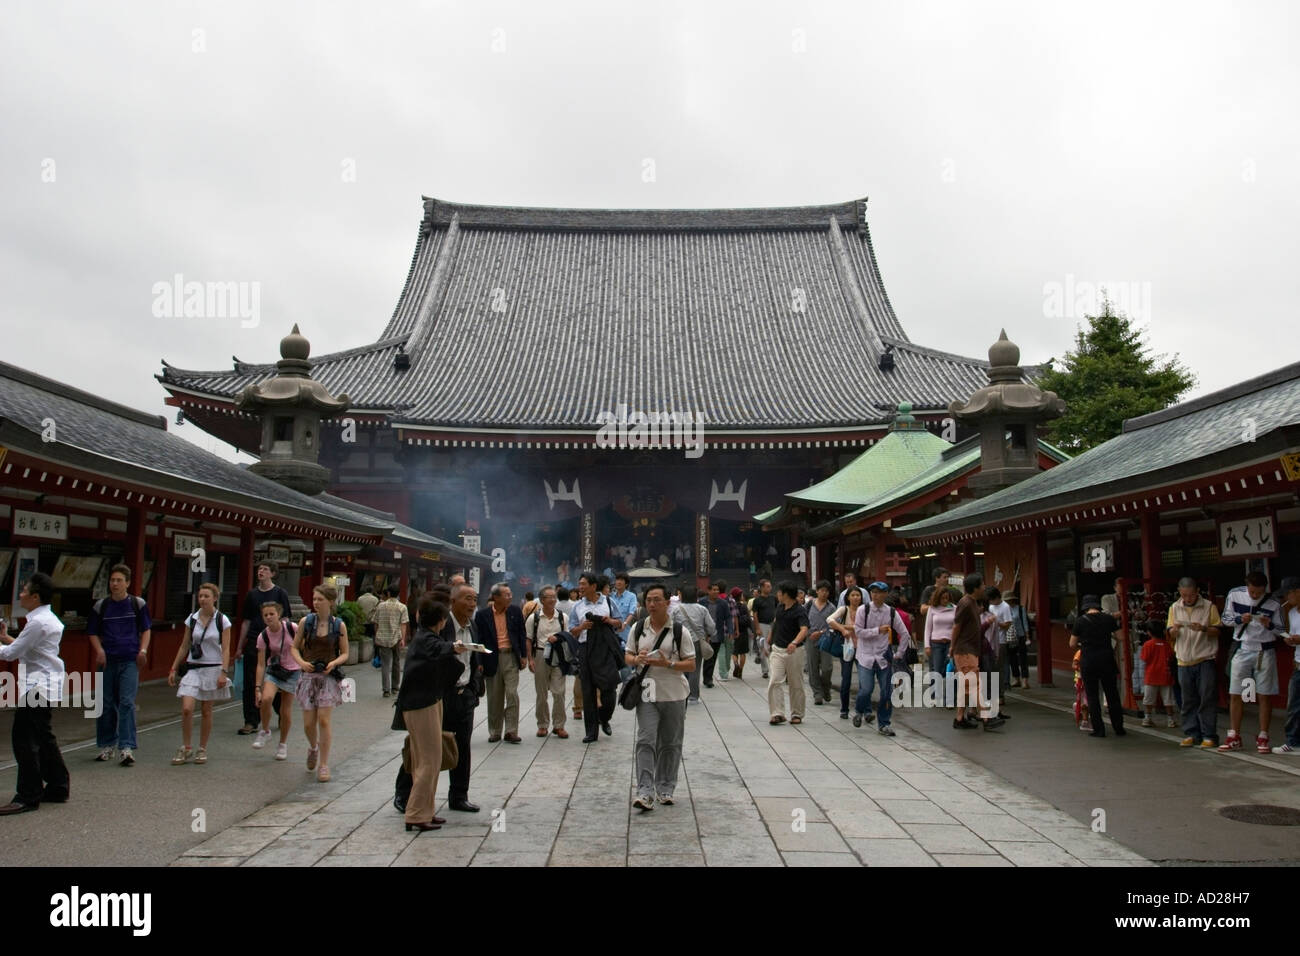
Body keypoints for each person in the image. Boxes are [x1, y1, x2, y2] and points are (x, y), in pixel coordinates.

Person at [0, 573, 70, 814]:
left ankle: (28, 795)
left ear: (35, 596)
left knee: (24, 739)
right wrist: (6, 638)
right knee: (42, 737)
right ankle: (58, 786)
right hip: (47, 685)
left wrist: (5, 644)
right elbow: (30, 651)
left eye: (24, 591)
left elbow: (11, 654)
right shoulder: (47, 619)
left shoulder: (38, 622)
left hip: (37, 686)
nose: (21, 594)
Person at [395, 598, 463, 833]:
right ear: (442, 620)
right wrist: (455, 647)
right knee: (429, 759)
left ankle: (426, 810)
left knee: (427, 758)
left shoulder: (425, 636)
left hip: (427, 700)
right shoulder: (426, 639)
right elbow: (440, 649)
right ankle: (415, 813)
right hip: (420, 704)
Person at [626, 583, 696, 811]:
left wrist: (669, 663)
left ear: (668, 602)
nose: (652, 604)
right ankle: (645, 792)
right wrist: (637, 660)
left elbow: (692, 664)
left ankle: (665, 787)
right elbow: (628, 655)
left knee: (670, 743)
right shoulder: (638, 628)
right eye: (648, 600)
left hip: (674, 693)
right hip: (647, 691)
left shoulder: (679, 631)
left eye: (657, 600)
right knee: (645, 740)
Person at [87, 563, 152, 767]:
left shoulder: (137, 604)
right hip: (108, 661)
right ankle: (107, 745)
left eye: (119, 580)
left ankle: (126, 747)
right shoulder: (101, 606)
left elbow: (146, 629)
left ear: (128, 583)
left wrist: (143, 650)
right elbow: (92, 632)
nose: (114, 584)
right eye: (112, 580)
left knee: (126, 703)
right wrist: (99, 650)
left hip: (129, 660)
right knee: (105, 704)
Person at [1219, 571, 1286, 753]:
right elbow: (1225, 619)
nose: (1255, 595)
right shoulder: (1235, 594)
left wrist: (1269, 624)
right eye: (1252, 592)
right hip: (1242, 647)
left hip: (1265, 650)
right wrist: (1240, 619)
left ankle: (1263, 735)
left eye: (1258, 592)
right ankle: (1234, 734)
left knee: (1264, 694)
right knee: (1236, 692)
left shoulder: (1273, 603)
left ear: (1265, 589)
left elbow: (1281, 630)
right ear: (1246, 586)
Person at [168, 582, 232, 766]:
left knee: (206, 710)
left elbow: (226, 648)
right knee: (187, 708)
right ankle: (186, 747)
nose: (202, 599)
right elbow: (184, 644)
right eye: (200, 596)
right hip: (194, 667)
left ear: (215, 598)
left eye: (206, 596)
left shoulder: (222, 620)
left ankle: (202, 748)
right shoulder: (192, 619)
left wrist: (223, 672)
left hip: (213, 667)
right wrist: (173, 667)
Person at [291, 585, 349, 782]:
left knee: (324, 720)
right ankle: (313, 747)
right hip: (308, 676)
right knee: (308, 724)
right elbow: (294, 648)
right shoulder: (305, 622)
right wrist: (301, 662)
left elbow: (346, 653)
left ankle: (324, 764)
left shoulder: (338, 625)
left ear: (330, 602)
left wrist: (334, 663)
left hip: (327, 677)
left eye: (320, 599)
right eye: (314, 599)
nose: (316, 603)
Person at [234, 561, 292, 735]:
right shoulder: (252, 595)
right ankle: (251, 720)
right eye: (259, 569)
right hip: (254, 641)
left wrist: (285, 645)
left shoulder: (280, 593)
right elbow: (246, 621)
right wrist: (239, 646)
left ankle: (281, 713)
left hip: (275, 642)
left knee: (275, 679)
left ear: (273, 573)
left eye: (265, 569)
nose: (261, 572)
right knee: (251, 682)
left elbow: (286, 620)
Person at [443, 583, 485, 812]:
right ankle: (404, 791)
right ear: (453, 602)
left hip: (465, 694)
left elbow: (475, 657)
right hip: (443, 695)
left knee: (462, 747)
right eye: (467, 598)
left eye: (474, 599)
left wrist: (474, 687)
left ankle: (459, 795)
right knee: (429, 746)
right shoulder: (443, 626)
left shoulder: (473, 626)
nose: (471, 603)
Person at [1167, 576, 1222, 749]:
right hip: (1183, 660)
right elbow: (1169, 632)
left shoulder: (1208, 606)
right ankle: (1191, 732)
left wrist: (1203, 628)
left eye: (1190, 595)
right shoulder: (1174, 608)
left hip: (1204, 657)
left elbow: (1218, 630)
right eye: (1184, 595)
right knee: (1188, 699)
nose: (1187, 599)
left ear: (1197, 591)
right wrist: (1174, 631)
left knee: (1207, 697)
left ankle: (1209, 734)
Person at [569, 571, 623, 743]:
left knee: (609, 687)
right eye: (580, 584)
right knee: (588, 690)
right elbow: (572, 630)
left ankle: (604, 717)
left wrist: (609, 621)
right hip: (586, 649)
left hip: (605, 649)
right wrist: (582, 627)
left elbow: (620, 622)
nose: (580, 587)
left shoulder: (608, 601)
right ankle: (591, 732)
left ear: (593, 586)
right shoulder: (577, 607)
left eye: (584, 584)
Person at [852, 581, 909, 736]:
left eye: (879, 592)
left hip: (884, 657)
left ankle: (884, 723)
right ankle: (859, 710)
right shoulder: (864, 610)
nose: (876, 595)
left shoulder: (891, 612)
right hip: (865, 656)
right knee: (866, 689)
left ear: (885, 594)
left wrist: (899, 654)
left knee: (886, 692)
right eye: (873, 592)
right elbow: (858, 632)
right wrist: (877, 631)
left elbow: (904, 634)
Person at [475, 583, 528, 744]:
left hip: (510, 656)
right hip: (492, 658)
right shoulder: (482, 615)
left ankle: (511, 731)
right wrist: (479, 661)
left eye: (510, 594)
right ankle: (495, 731)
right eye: (506, 594)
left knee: (512, 694)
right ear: (496, 597)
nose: (510, 597)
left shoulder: (515, 611)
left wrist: (523, 656)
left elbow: (521, 633)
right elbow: (478, 639)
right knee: (495, 696)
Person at [952, 574, 1003, 731]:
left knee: (966, 685)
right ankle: (987, 718)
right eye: (982, 585)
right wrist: (952, 646)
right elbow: (956, 626)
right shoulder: (966, 603)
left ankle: (959, 718)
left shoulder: (973, 603)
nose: (984, 587)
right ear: (975, 588)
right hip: (965, 649)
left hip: (970, 649)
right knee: (974, 684)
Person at [1070, 595, 1125, 738]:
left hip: (1089, 660)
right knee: (1112, 694)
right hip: (1107, 659)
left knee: (1093, 696)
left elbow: (1072, 643)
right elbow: (1120, 637)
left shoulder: (1080, 622)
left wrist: (1084, 642)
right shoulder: (1109, 619)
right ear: (1098, 605)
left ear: (1085, 607)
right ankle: (1119, 727)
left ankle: (1099, 729)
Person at [252, 601, 298, 759]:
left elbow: (303, 647)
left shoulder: (292, 628)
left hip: (293, 670)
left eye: (272, 614)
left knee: (285, 710)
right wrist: (257, 687)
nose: (269, 617)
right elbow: (260, 663)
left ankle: (282, 744)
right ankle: (265, 730)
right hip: (275, 670)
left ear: (279, 614)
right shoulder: (263, 636)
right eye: (265, 615)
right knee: (266, 698)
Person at [527, 586, 569, 738]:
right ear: (542, 600)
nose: (552, 600)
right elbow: (529, 639)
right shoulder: (534, 618)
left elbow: (567, 636)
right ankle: (543, 724)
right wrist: (530, 659)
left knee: (559, 692)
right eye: (549, 597)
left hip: (558, 656)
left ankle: (559, 725)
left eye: (554, 597)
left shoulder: (563, 617)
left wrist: (558, 637)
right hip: (540, 654)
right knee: (541, 693)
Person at [767, 581, 809, 725]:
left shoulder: (800, 610)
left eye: (780, 592)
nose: (778, 594)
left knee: (795, 683)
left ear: (786, 594)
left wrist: (794, 642)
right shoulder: (780, 607)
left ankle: (797, 713)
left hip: (794, 651)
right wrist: (770, 636)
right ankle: (777, 713)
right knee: (775, 680)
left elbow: (804, 629)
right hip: (778, 649)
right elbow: (776, 621)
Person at [671, 584, 715, 701]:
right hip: (696, 641)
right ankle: (693, 695)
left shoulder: (676, 609)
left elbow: (669, 625)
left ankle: (682, 692)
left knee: (681, 667)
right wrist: (708, 634)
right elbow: (711, 626)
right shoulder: (702, 609)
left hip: (680, 641)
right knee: (695, 668)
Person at [827, 587, 865, 718]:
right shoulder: (844, 610)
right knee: (846, 678)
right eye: (853, 595)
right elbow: (830, 620)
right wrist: (842, 630)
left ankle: (865, 709)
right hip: (847, 647)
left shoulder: (864, 610)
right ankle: (844, 709)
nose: (855, 598)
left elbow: (864, 627)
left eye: (858, 595)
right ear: (848, 597)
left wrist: (848, 627)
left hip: (862, 648)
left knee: (864, 680)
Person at [1138, 618, 1177, 727]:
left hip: (1151, 675)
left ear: (1149, 632)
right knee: (1168, 699)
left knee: (1148, 699)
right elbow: (1171, 657)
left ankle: (1147, 718)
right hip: (1165, 675)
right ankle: (1170, 720)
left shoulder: (1147, 644)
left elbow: (1144, 658)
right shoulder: (1166, 644)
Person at [923, 586, 958, 706]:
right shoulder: (932, 609)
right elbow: (928, 628)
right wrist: (927, 645)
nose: (945, 600)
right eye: (942, 598)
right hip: (936, 643)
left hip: (950, 643)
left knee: (951, 670)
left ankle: (950, 698)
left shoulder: (954, 608)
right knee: (936, 670)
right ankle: (934, 696)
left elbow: (957, 626)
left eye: (947, 598)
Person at [374, 584, 409, 698]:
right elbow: (403, 624)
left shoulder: (380, 606)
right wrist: (403, 639)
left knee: (385, 664)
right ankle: (395, 687)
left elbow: (376, 622)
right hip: (396, 637)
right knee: (396, 662)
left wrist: (376, 635)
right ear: (398, 593)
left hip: (383, 637)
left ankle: (386, 690)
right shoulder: (402, 607)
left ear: (388, 593)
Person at [1278, 577, 1300, 754]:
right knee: (1293, 706)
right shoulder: (1292, 613)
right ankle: (1293, 741)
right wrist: (1290, 641)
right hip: (1298, 664)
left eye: (1288, 593)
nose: (1287, 597)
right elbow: (1294, 636)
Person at [805, 581, 836, 706]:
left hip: (826, 640)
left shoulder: (832, 608)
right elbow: (802, 622)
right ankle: (817, 694)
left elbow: (834, 625)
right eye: (822, 590)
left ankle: (826, 687)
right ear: (817, 591)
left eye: (827, 591)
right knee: (813, 668)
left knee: (827, 667)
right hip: (811, 639)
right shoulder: (808, 606)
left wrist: (822, 632)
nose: (824, 593)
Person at [702, 581, 730, 688]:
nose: (716, 592)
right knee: (707, 657)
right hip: (704, 635)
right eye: (714, 590)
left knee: (712, 657)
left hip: (717, 634)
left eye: (717, 590)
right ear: (708, 591)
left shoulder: (723, 603)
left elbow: (728, 617)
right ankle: (707, 678)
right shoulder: (702, 602)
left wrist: (731, 631)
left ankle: (708, 678)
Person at [751, 579, 777, 679]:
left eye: (770, 586)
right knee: (763, 646)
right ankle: (765, 670)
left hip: (772, 625)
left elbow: (776, 609)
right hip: (762, 625)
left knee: (772, 647)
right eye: (767, 586)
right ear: (761, 588)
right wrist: (757, 628)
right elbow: (755, 614)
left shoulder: (773, 598)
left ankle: (762, 659)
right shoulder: (757, 600)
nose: (769, 588)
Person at [1005, 592, 1031, 688]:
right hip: (1009, 637)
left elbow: (1024, 622)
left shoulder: (1020, 609)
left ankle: (1025, 679)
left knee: (1023, 658)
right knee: (1012, 659)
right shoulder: (1005, 610)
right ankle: (1016, 678)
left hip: (1020, 636)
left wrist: (1027, 635)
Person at [729, 586, 754, 679]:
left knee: (734, 651)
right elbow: (748, 620)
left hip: (734, 630)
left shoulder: (731, 605)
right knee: (743, 652)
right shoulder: (743, 606)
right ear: (740, 596)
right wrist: (751, 629)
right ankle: (740, 670)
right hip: (743, 631)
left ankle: (735, 664)